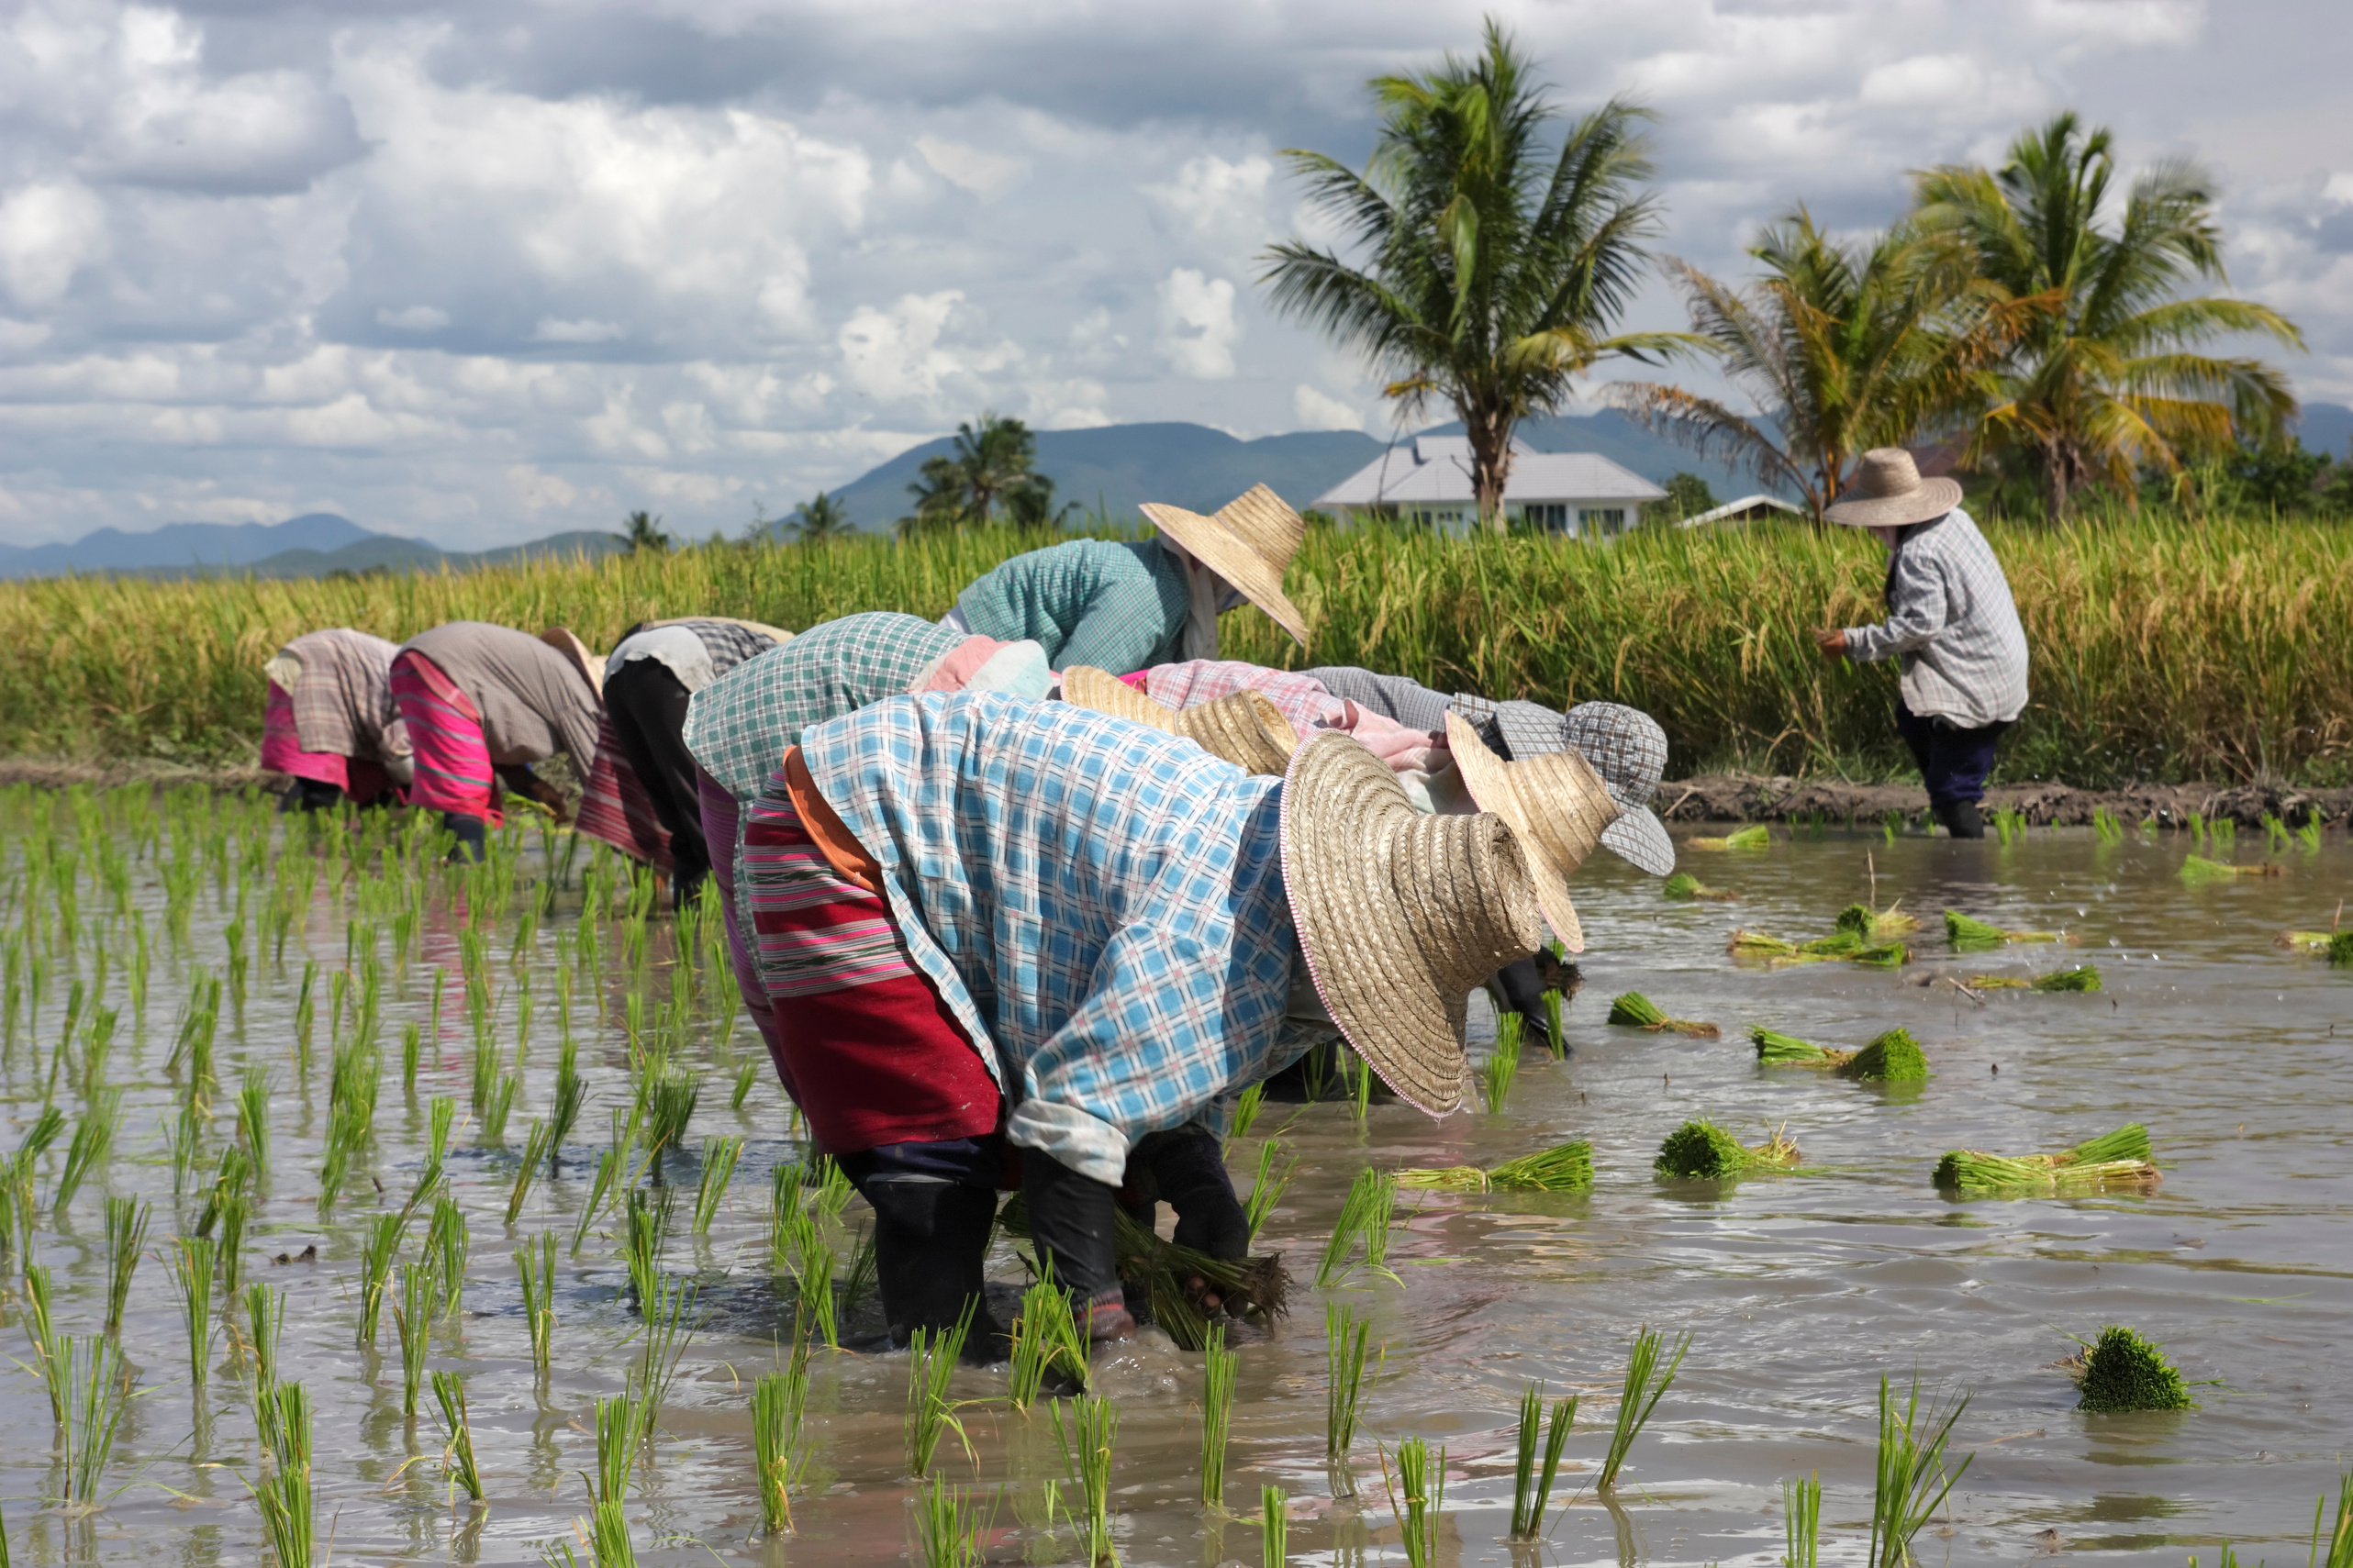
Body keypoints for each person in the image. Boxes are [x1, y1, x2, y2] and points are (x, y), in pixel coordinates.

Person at [740, 694, 1548, 1352]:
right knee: (938, 1156)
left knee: (1078, 1175)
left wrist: (1204, 1195)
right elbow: (1070, 1125)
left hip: (934, 823)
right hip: (846, 827)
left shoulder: (1277, 890)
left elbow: (1151, 1070)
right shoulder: (1222, 937)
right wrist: (1107, 1336)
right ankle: (929, 1359)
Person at [1811, 448, 2029, 840]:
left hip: (1976, 686)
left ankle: (1968, 881)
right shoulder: (1954, 521)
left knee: (1953, 793)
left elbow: (1919, 627)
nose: (1871, 531)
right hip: (2001, 670)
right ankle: (1946, 806)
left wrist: (1851, 642)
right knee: (1911, 718)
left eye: (1873, 523)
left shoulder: (1917, 553)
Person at [944, 484, 1309, 673]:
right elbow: (1068, 691)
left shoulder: (1164, 582)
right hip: (971, 657)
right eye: (1238, 590)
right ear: (1208, 568)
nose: (1236, 605)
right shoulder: (1151, 597)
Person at [575, 617, 792, 906]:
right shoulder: (783, 661)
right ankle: (744, 916)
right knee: (706, 812)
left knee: (680, 817)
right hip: (672, 667)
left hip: (617, 669)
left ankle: (690, 919)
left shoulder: (751, 642)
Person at [387, 621, 605, 860]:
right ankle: (465, 877)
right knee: (465, 783)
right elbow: (601, 781)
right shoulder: (578, 696)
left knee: (455, 778)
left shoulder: (554, 679)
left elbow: (497, 733)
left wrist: (534, 785)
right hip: (440, 667)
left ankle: (453, 878)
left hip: (412, 666)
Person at [261, 628, 412, 810]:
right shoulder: (424, 699)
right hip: (319, 667)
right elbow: (397, 750)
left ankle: (293, 828)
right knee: (320, 785)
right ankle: (302, 833)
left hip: (317, 661)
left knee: (370, 791)